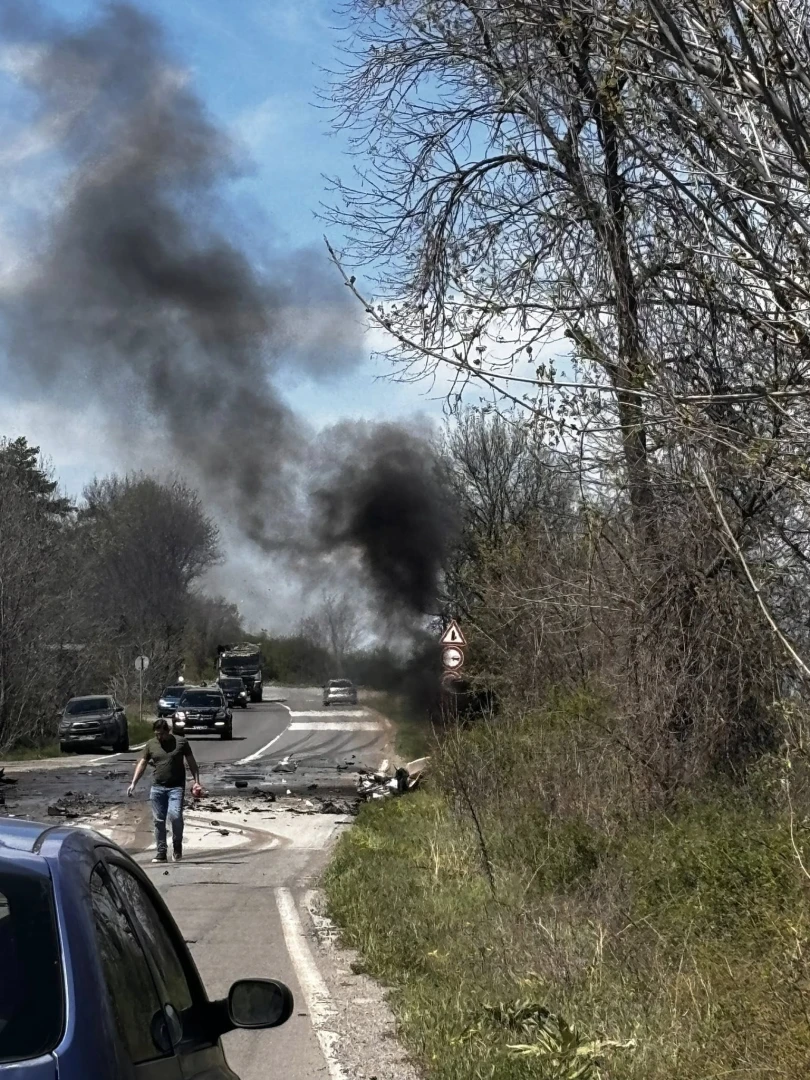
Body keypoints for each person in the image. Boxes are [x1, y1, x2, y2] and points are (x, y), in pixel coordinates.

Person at [127, 718, 200, 863]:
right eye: (157, 734)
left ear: (168, 731)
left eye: (162, 734)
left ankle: (177, 845)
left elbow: (192, 762)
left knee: (175, 816)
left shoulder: (181, 742)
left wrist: (197, 782)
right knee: (158, 821)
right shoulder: (151, 744)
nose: (159, 737)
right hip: (157, 787)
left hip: (176, 787)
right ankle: (161, 852)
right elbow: (142, 764)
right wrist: (133, 783)